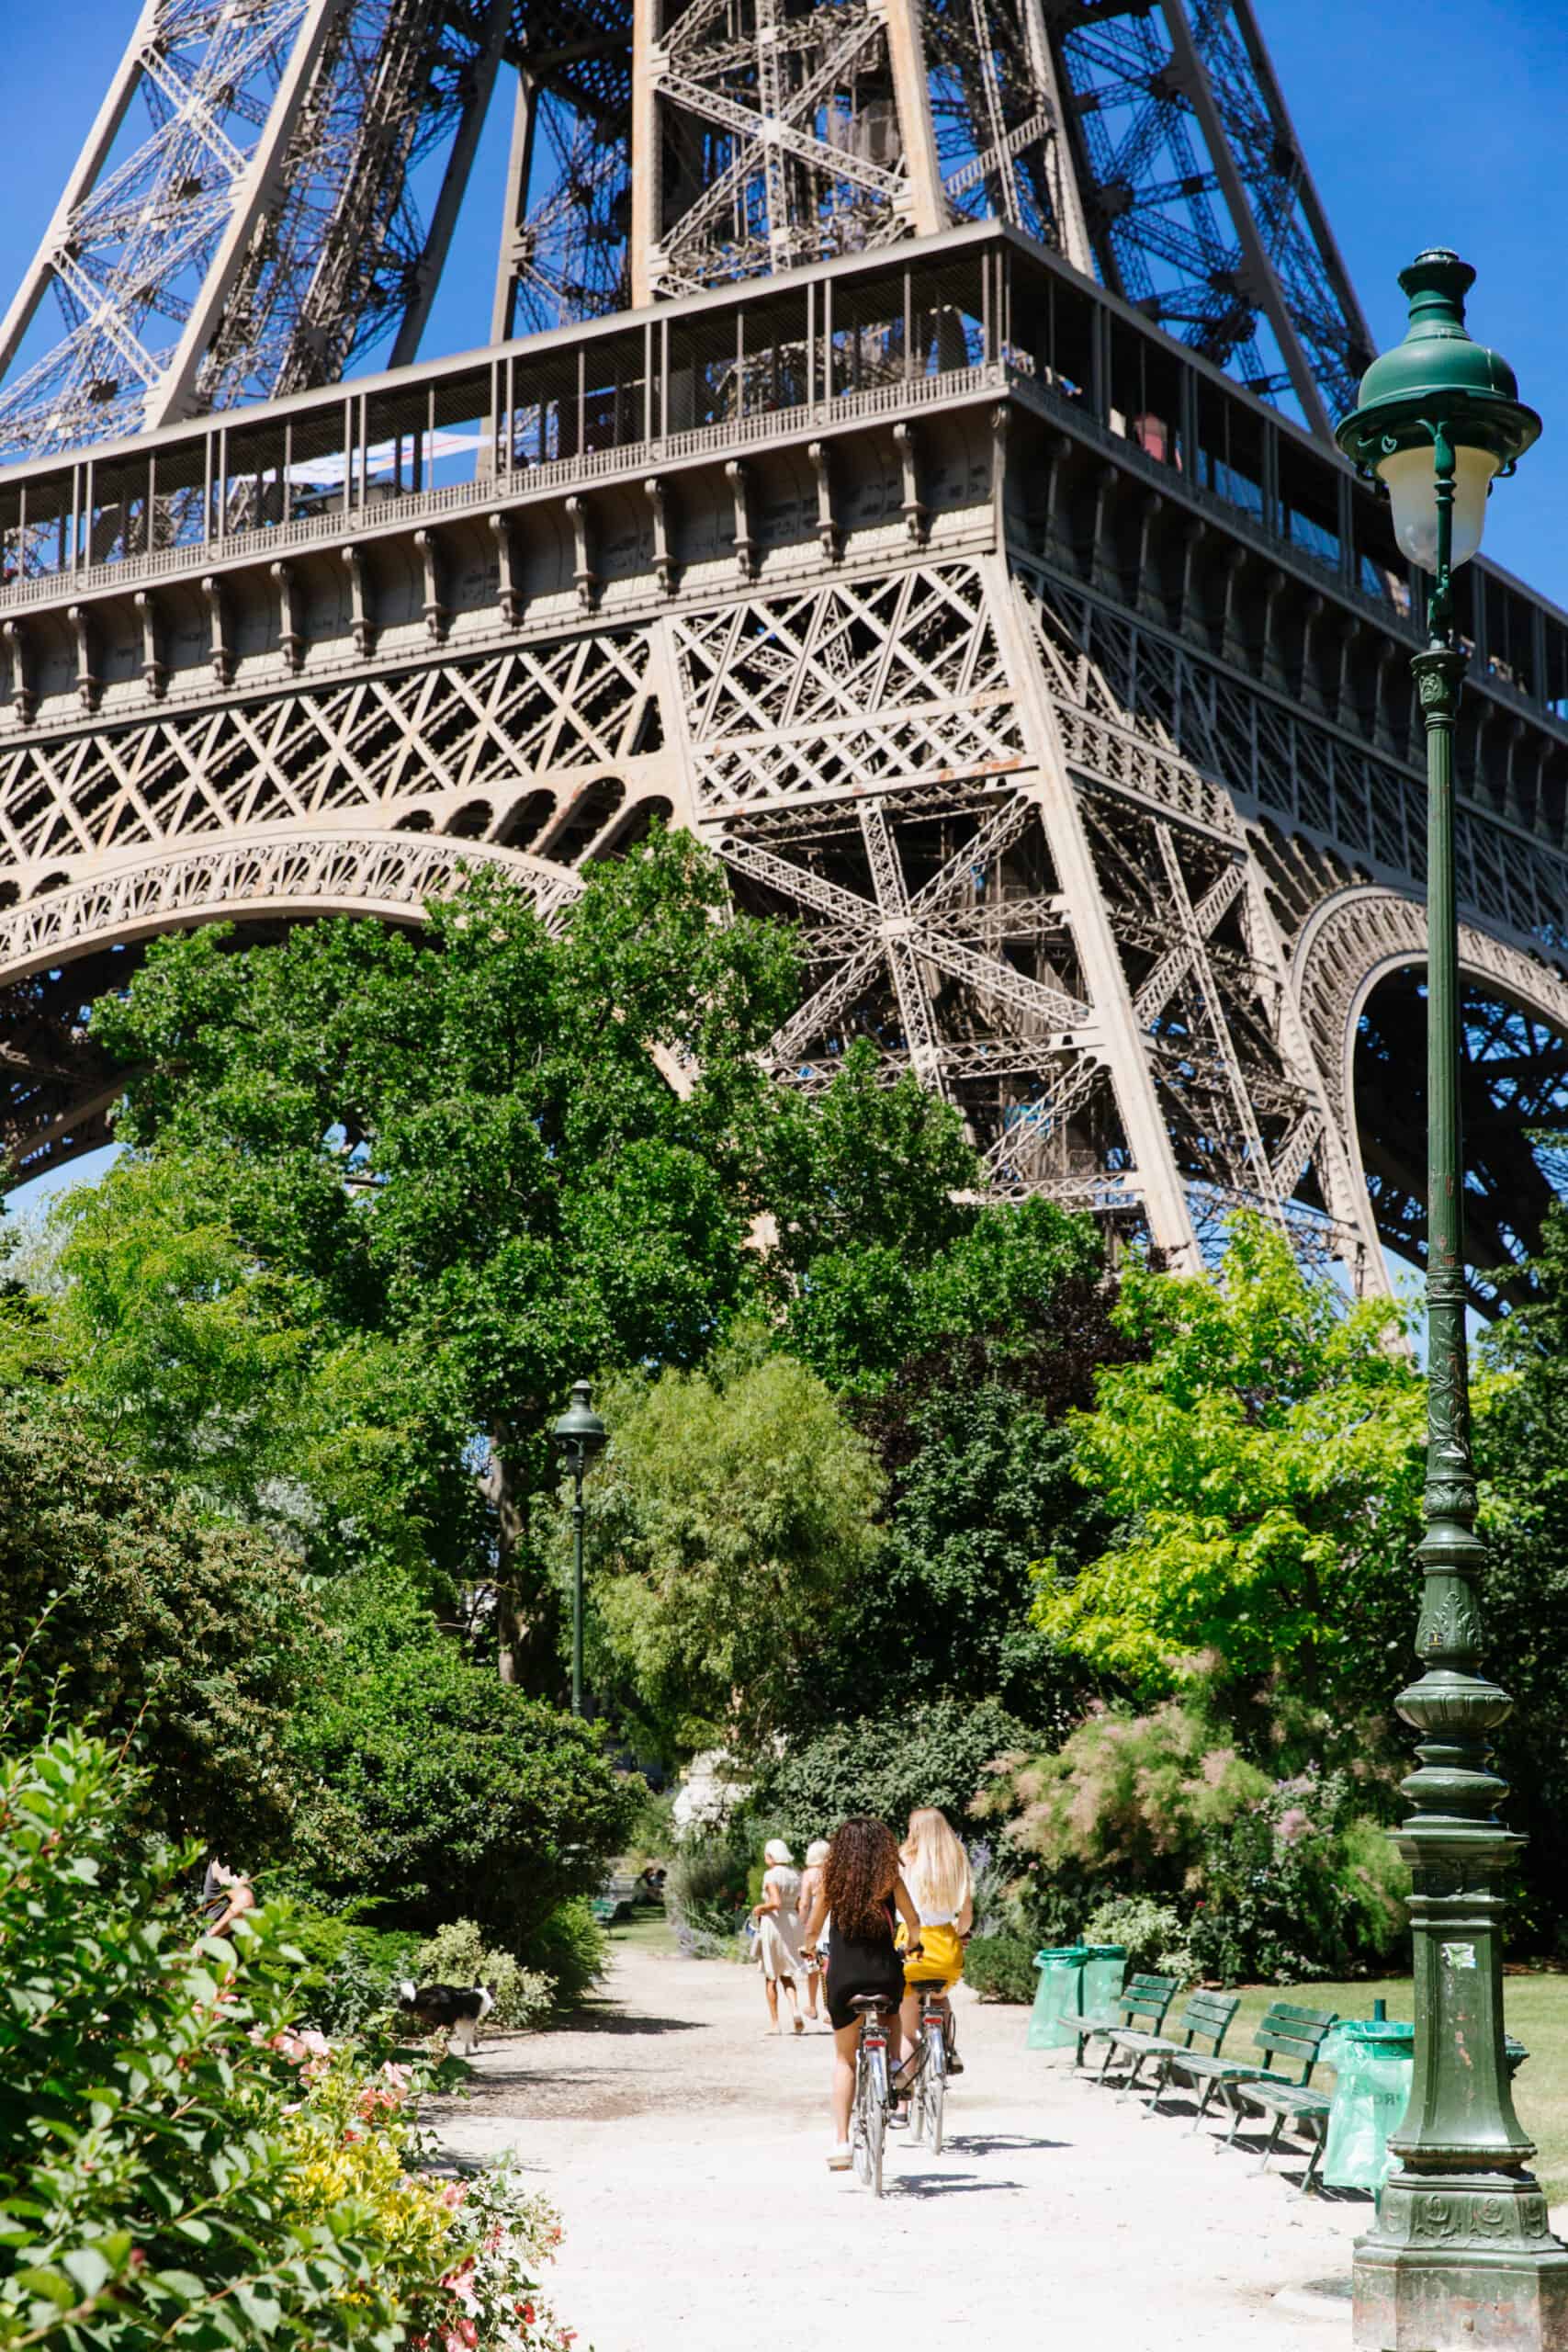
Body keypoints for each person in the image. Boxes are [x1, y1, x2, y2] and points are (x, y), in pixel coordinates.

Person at [797, 1817, 923, 2171]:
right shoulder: (890, 1880)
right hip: (882, 1975)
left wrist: (809, 1949)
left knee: (845, 2060)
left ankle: (841, 2141)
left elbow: (811, 1930)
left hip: (845, 1981)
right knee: (892, 2008)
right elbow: (913, 1924)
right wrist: (913, 1945)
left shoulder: (834, 1884)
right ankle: (896, 2065)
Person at [894, 1808, 973, 2088]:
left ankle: (902, 2109)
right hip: (945, 1947)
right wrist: (957, 1933)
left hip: (911, 1947)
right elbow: (966, 1919)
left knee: (906, 2032)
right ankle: (948, 2046)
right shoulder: (957, 1862)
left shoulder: (903, 1861)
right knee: (938, 1995)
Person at [751, 1838, 806, 2036]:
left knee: (771, 1974)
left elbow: (776, 1902)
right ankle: (795, 2010)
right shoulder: (795, 1875)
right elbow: (799, 1903)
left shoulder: (771, 1875)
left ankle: (775, 2024)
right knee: (787, 1971)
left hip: (775, 1923)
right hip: (792, 1921)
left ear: (771, 1857)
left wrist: (760, 1908)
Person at [796, 1838, 830, 2027]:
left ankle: (812, 2005)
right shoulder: (833, 1872)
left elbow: (804, 1903)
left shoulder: (809, 1874)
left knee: (812, 1961)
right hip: (832, 1918)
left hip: (816, 1919)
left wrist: (803, 1922)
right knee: (829, 1962)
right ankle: (829, 2008)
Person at [197, 1860, 256, 1940]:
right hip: (217, 1947)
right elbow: (246, 1902)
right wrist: (208, 1937)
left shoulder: (242, 1867)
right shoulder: (222, 1867)